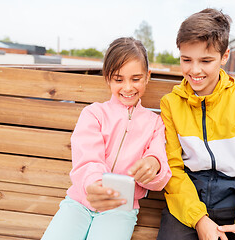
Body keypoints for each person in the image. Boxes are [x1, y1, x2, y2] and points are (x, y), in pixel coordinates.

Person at [157, 8, 235, 240]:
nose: (194, 70)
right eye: (186, 60)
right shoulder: (170, 104)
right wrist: (199, 220)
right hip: (188, 200)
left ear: (225, 56)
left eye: (206, 60)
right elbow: (172, 170)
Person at [42, 37, 171, 240]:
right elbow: (88, 158)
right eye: (119, 79)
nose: (128, 87)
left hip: (121, 208)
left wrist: (153, 165)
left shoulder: (155, 124)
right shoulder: (93, 114)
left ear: (147, 77)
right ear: (108, 79)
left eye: (135, 79)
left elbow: (160, 165)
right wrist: (93, 184)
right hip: (79, 202)